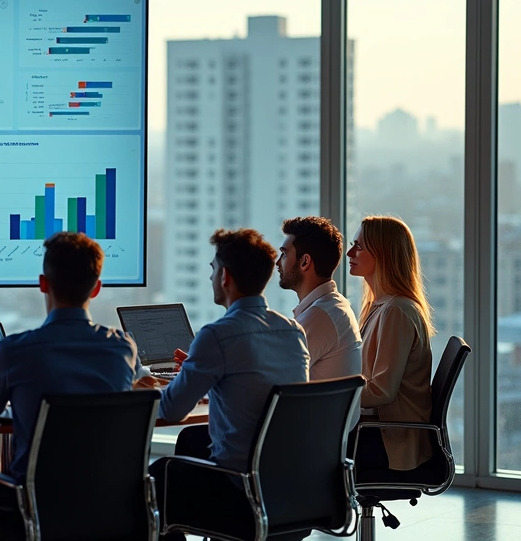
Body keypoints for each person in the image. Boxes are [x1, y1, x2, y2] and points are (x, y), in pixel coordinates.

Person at [0, 232, 138, 540]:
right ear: (97, 288)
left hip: (33, 505)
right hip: (109, 502)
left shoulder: (15, 351)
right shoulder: (122, 347)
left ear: (43, 283)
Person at [150, 229, 309, 539]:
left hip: (239, 489)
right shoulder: (292, 331)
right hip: (290, 487)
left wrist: (151, 387)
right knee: (191, 443)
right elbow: (252, 386)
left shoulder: (217, 335)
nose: (211, 277)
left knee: (154, 480)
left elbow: (172, 408)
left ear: (225, 277)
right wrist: (199, 372)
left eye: (212, 269)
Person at [347, 216, 435, 472]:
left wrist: (331, 396)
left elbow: (381, 392)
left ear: (383, 254)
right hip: (381, 431)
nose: (350, 252)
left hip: (390, 442)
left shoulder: (396, 311)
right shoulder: (381, 306)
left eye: (359, 246)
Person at [277, 216, 362, 380]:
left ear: (305, 262)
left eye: (284, 254)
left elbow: (272, 376)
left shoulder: (320, 316)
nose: (277, 263)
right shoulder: (332, 306)